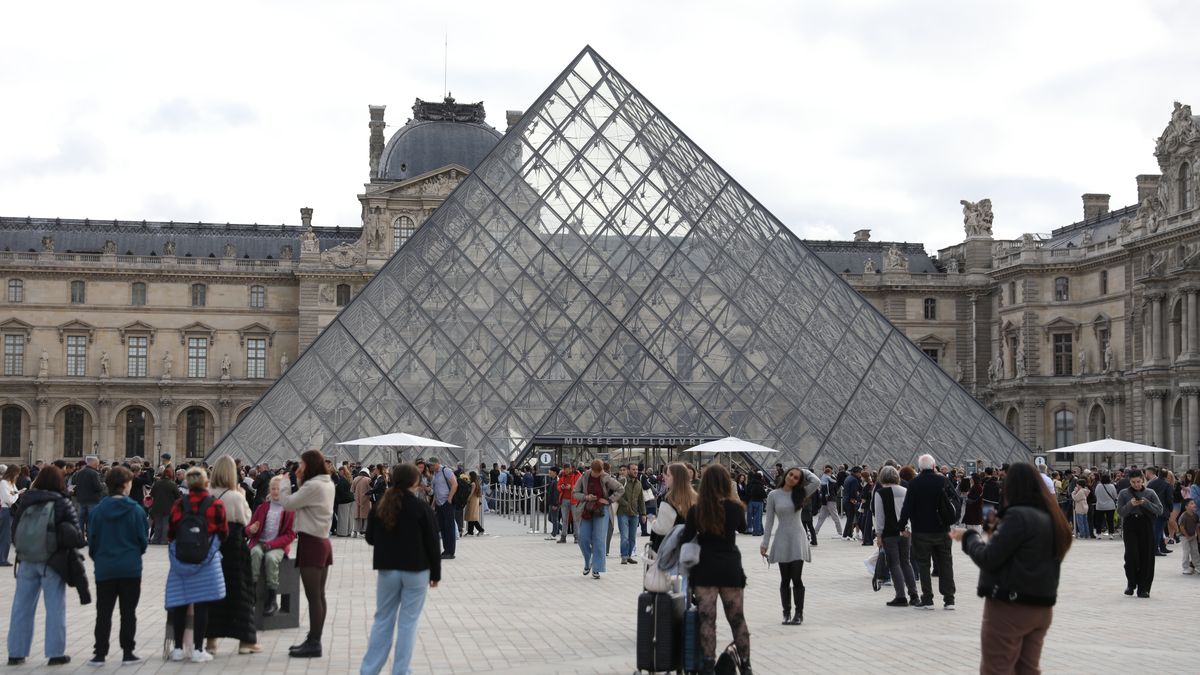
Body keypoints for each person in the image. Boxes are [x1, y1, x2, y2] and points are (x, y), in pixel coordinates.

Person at [950, 462, 1071, 675]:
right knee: (1027, 670)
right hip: (1042, 607)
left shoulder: (1018, 515)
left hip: (1011, 606)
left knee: (997, 669)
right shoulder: (1052, 518)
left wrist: (969, 538)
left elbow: (988, 558)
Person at [360, 464, 441, 675]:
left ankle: (369, 670)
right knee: (408, 623)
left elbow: (370, 538)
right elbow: (433, 543)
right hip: (416, 570)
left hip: (388, 569)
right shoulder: (422, 508)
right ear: (415, 483)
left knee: (383, 620)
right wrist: (436, 574)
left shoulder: (381, 506)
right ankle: (401, 671)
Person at [6, 465, 84, 667]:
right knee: (55, 606)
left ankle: (16, 653)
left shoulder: (26, 500)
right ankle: (55, 653)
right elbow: (76, 536)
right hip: (53, 561)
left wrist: (25, 549)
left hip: (27, 560)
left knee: (21, 607)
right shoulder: (62, 502)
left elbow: (15, 530)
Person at [682, 464, 751, 675]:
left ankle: (708, 666)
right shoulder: (736, 508)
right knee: (737, 619)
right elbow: (743, 528)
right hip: (730, 566)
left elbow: (686, 539)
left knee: (707, 620)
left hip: (705, 568)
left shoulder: (697, 510)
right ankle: (746, 665)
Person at [86, 466, 148, 666]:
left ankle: (100, 654)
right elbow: (142, 541)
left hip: (105, 568)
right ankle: (128, 652)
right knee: (128, 612)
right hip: (130, 568)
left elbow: (92, 542)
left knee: (103, 612)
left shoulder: (97, 511)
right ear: (125, 485)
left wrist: (101, 558)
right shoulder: (136, 510)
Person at [165, 466, 228, 663]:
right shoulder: (216, 505)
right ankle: (199, 649)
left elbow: (171, 533)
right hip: (206, 560)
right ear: (206, 482)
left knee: (181, 605)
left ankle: (177, 649)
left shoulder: (178, 504)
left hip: (181, 560)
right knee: (202, 606)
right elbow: (224, 532)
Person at [278, 449, 335, 658]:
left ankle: (314, 643)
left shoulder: (314, 485)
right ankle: (313, 639)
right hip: (322, 541)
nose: (298, 467)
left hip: (311, 542)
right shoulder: (326, 483)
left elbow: (289, 503)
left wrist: (285, 481)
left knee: (313, 597)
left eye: (301, 464)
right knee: (319, 595)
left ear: (309, 465)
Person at [205, 456, 259, 655]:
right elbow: (246, 520)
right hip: (233, 547)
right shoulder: (236, 496)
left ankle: (211, 642)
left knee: (213, 593)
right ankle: (246, 642)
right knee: (240, 594)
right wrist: (242, 496)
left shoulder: (207, 494)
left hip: (212, 547)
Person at [761, 467, 820, 625]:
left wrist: (803, 470)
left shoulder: (800, 493)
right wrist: (765, 543)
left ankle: (799, 614)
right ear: (786, 475)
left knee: (797, 577)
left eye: (796, 477)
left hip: (797, 538)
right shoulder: (773, 495)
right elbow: (769, 522)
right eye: (791, 474)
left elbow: (817, 481)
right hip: (782, 538)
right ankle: (786, 613)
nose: (792, 478)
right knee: (784, 579)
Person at [898, 454, 956, 610]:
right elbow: (955, 500)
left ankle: (928, 599)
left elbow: (907, 506)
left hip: (921, 531)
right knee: (945, 564)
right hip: (942, 529)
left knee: (923, 565)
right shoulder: (943, 480)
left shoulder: (914, 483)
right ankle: (949, 599)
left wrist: (902, 525)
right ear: (933, 466)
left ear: (919, 467)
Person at [247, 475, 296, 617]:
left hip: (278, 546)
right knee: (254, 554)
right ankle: (252, 594)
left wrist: (270, 545)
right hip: (259, 542)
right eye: (273, 488)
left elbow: (290, 535)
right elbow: (249, 527)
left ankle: (272, 599)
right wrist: (251, 529)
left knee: (270, 559)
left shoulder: (289, 510)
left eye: (279, 489)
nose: (275, 492)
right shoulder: (263, 507)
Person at [874, 465, 920, 608]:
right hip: (906, 532)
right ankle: (914, 595)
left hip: (889, 533)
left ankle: (900, 596)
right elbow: (912, 512)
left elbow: (880, 517)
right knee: (906, 562)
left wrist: (879, 535)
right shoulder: (906, 490)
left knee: (894, 564)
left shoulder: (880, 493)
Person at [571, 459, 624, 579]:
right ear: (591, 469)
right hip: (587, 510)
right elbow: (575, 492)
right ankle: (588, 560)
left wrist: (609, 500)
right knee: (582, 537)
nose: (597, 475)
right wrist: (586, 497)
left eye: (599, 472)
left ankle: (596, 568)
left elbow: (620, 489)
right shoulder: (584, 476)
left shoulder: (606, 477)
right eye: (595, 472)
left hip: (602, 511)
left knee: (599, 539)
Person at [1117, 469, 1163, 597]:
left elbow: (1159, 509)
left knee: (1146, 557)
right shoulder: (1123, 493)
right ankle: (1131, 583)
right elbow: (1120, 512)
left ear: (1143, 480)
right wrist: (1130, 504)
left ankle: (1144, 588)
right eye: (1133, 482)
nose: (1136, 484)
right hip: (1130, 524)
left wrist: (1146, 503)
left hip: (1146, 524)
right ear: (1129, 481)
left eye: (1138, 481)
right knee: (1132, 557)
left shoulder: (1150, 493)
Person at [649, 463, 697, 551]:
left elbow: (662, 529)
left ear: (676, 478)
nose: (664, 478)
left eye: (668, 475)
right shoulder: (695, 498)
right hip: (689, 549)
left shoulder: (670, 500)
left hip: (670, 551)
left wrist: (653, 520)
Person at [426, 457, 458, 560]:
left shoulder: (446, 471)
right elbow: (436, 490)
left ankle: (451, 551)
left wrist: (449, 499)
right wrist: (433, 504)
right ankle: (446, 550)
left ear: (437, 464)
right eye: (430, 465)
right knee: (443, 528)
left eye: (431, 465)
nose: (430, 467)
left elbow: (455, 484)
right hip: (439, 504)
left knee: (449, 527)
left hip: (446, 503)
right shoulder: (435, 474)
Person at [616, 463, 646, 565]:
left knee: (632, 537)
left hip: (635, 514)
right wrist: (626, 504)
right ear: (628, 471)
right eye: (633, 469)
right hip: (623, 513)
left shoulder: (639, 483)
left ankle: (629, 556)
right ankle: (624, 556)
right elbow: (616, 495)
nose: (635, 471)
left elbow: (641, 499)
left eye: (636, 469)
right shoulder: (622, 481)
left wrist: (644, 514)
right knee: (624, 536)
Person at [72, 455, 103, 538]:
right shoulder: (94, 473)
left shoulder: (79, 473)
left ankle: (80, 537)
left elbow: (75, 484)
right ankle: (90, 538)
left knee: (81, 520)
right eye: (97, 463)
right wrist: (103, 485)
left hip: (81, 500)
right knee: (90, 520)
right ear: (94, 463)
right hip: (92, 500)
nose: (98, 465)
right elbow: (98, 487)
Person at [1144, 467, 1173, 554]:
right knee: (1158, 530)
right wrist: (1170, 509)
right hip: (1163, 510)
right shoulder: (1167, 485)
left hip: (1152, 509)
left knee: (1159, 530)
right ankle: (1155, 549)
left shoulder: (1151, 483)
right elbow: (1169, 499)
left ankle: (1162, 547)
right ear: (1166, 476)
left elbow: (1146, 495)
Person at [0, 463, 20, 565]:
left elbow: (14, 493)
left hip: (6, 509)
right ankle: (2, 559)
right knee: (5, 536)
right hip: (5, 509)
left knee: (6, 535)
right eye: (17, 473)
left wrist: (14, 494)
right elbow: (9, 499)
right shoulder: (4, 483)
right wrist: (15, 495)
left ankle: (3, 558)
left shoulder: (9, 482)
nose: (17, 476)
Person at [556, 463, 579, 544]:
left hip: (574, 499)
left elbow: (579, 486)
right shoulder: (561, 475)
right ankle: (563, 537)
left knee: (576, 519)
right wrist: (561, 487)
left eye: (568, 469)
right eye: (565, 470)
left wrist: (571, 487)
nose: (566, 471)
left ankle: (577, 537)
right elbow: (558, 486)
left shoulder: (577, 474)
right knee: (564, 519)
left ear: (571, 468)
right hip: (564, 500)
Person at [1094, 473, 1119, 540]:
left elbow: (1095, 494)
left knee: (1099, 521)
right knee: (1110, 520)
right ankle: (1111, 534)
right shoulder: (1112, 486)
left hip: (1100, 506)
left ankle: (1098, 534)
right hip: (1110, 506)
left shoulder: (1098, 486)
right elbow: (1115, 496)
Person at [840, 467, 862, 540]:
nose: (860, 474)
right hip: (850, 501)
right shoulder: (854, 480)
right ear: (857, 472)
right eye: (860, 472)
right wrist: (856, 500)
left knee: (850, 518)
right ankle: (845, 535)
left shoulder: (848, 478)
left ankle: (849, 534)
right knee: (850, 519)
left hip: (846, 500)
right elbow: (853, 492)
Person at [744, 472, 767, 537]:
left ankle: (760, 530)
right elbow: (764, 495)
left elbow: (747, 492)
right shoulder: (759, 484)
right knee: (758, 517)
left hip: (751, 502)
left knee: (751, 517)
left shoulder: (749, 484)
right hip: (758, 502)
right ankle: (757, 531)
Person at [352, 468, 373, 537]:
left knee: (357, 516)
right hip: (366, 500)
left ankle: (355, 531)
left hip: (357, 500)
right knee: (365, 516)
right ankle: (364, 531)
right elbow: (371, 490)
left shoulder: (355, 479)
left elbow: (352, 490)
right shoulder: (368, 480)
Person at [464, 471, 485, 536]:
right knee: (471, 516)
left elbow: (471, 493)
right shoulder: (476, 483)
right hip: (475, 500)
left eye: (469, 475)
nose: (469, 476)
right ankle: (470, 531)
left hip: (472, 500)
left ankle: (480, 529)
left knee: (472, 517)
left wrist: (467, 499)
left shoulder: (473, 484)